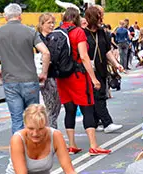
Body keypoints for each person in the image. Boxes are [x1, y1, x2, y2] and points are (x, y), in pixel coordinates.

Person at [0, 4, 50, 135]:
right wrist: (44, 73)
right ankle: (34, 149)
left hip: (10, 81)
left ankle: (18, 152)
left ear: (6, 17)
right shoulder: (30, 31)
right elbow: (46, 53)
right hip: (30, 79)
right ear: (20, 16)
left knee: (17, 119)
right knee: (33, 118)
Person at [53, 8, 110, 156]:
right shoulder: (78, 32)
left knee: (70, 110)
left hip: (62, 77)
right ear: (77, 18)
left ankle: (71, 145)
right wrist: (93, 78)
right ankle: (93, 145)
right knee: (87, 109)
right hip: (78, 76)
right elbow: (84, 57)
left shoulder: (57, 31)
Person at [84, 5, 124, 134]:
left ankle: (95, 122)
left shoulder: (104, 33)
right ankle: (107, 122)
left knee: (99, 95)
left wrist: (116, 64)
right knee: (98, 96)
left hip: (101, 69)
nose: (102, 18)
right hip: (88, 70)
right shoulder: (83, 33)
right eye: (100, 16)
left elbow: (107, 52)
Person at [36, 13, 62, 131]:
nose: (52, 25)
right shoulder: (37, 39)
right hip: (43, 75)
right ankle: (51, 134)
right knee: (50, 106)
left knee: (56, 105)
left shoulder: (55, 37)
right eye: (49, 23)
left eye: (53, 23)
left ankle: (50, 131)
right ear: (41, 25)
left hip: (55, 74)